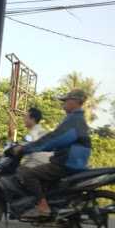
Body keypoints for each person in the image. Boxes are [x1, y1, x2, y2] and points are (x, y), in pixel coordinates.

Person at [14, 89, 91, 218]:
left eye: (66, 101)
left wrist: (25, 149)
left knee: (27, 173)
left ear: (76, 102)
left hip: (66, 163)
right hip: (70, 161)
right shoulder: (76, 119)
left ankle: (43, 207)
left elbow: (54, 139)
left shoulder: (74, 120)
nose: (63, 104)